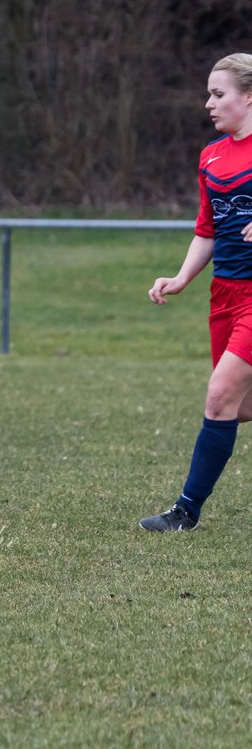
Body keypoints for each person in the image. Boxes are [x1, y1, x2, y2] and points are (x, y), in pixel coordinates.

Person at [141, 52, 252, 532]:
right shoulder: (211, 156)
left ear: (249, 96)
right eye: (209, 93)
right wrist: (182, 277)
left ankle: (186, 511)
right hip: (224, 294)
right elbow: (207, 229)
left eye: (218, 93)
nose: (209, 102)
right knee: (237, 407)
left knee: (218, 396)